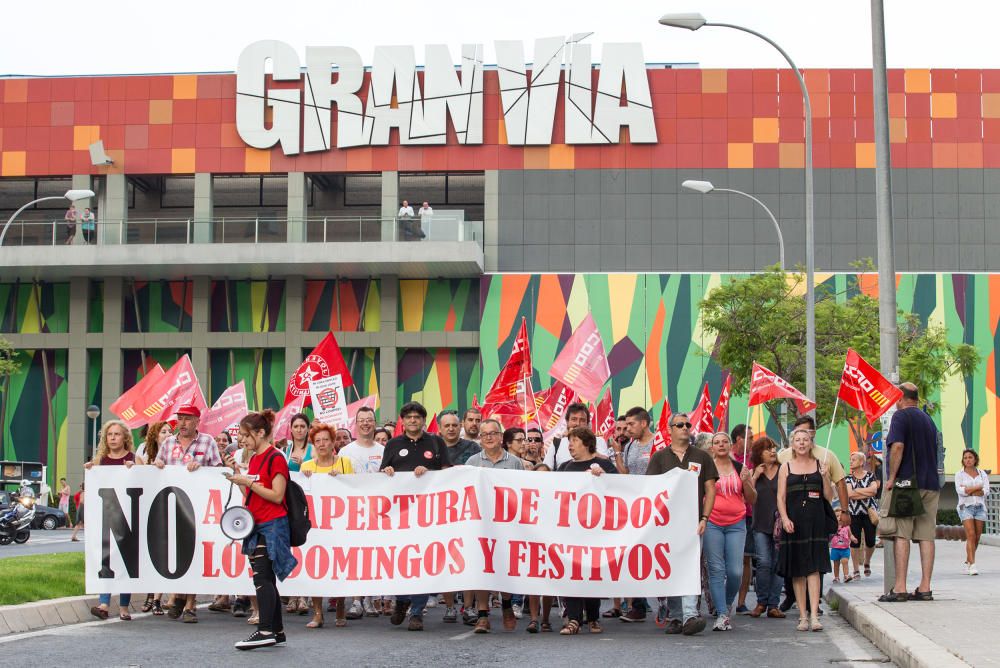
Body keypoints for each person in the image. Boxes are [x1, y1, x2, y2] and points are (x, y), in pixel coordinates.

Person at [225, 410, 297, 650]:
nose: (242, 440)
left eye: (246, 435)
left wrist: (248, 482)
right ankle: (276, 631)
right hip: (257, 523)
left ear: (261, 433)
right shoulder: (255, 458)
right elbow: (251, 496)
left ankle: (265, 629)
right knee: (266, 578)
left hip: (273, 524)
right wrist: (239, 478)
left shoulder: (275, 457)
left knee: (262, 578)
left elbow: (277, 496)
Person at [381, 401, 452, 631]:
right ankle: (401, 601)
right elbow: (382, 474)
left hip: (427, 514)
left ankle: (417, 611)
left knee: (422, 561)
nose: (413, 420)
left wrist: (429, 474)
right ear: (403, 420)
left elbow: (446, 473)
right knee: (402, 559)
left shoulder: (436, 442)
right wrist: (387, 471)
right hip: (400, 514)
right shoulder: (393, 444)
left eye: (417, 416)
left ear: (423, 420)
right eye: (409, 416)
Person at [645, 412, 716, 636]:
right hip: (666, 524)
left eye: (687, 424)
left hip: (693, 523)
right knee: (671, 569)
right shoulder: (659, 457)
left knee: (690, 567)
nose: (685, 428)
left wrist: (704, 518)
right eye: (680, 425)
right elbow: (649, 489)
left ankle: (689, 615)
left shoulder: (702, 457)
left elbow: (710, 489)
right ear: (670, 430)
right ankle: (675, 617)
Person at [153, 403, 223, 623]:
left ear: (196, 421)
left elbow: (219, 472)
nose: (181, 423)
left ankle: (190, 604)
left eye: (186, 419)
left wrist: (202, 469)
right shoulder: (168, 443)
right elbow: (159, 467)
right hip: (173, 506)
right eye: (179, 418)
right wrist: (156, 464)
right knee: (176, 553)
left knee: (193, 553)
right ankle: (179, 595)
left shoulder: (207, 442)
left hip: (198, 507)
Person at [880, 383, 941, 602]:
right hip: (931, 483)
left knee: (902, 534)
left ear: (901, 398)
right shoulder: (928, 420)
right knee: (926, 535)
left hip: (907, 483)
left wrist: (891, 478)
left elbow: (897, 447)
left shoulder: (900, 417)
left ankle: (900, 588)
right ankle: (925, 587)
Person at [556, 426, 617, 635]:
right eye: (569, 442)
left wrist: (604, 477)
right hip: (571, 530)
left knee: (592, 574)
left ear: (586, 443)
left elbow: (622, 491)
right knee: (573, 573)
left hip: (596, 531)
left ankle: (592, 618)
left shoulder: (604, 465)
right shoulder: (564, 467)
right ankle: (573, 619)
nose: (570, 446)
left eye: (574, 441)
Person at [465, 419, 523, 633]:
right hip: (480, 523)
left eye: (493, 433)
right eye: (484, 434)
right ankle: (482, 615)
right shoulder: (472, 461)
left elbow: (522, 492)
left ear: (501, 437)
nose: (489, 437)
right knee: (482, 567)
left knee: (504, 566)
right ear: (480, 439)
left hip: (506, 523)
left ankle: (507, 605)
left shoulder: (515, 462)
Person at [777, 428, 834, 632]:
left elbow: (829, 496)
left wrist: (826, 477)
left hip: (816, 521)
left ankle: (814, 614)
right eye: (798, 440)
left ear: (811, 443)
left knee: (814, 568)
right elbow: (781, 497)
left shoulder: (820, 465)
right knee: (798, 570)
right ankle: (802, 616)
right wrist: (784, 518)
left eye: (805, 440)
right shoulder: (786, 467)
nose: (801, 443)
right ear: (792, 444)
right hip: (794, 523)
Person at [300, 423, 354, 628]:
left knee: (339, 566)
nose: (322, 444)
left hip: (340, 524)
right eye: (318, 441)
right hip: (316, 525)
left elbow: (355, 490)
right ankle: (317, 613)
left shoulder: (345, 463)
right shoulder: (307, 467)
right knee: (316, 567)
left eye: (326, 440)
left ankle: (340, 606)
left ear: (333, 443)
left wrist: (341, 480)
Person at [338, 406, 387, 617]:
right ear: (356, 424)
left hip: (378, 512)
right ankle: (356, 600)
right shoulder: (346, 451)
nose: (366, 423)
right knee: (357, 555)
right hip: (353, 512)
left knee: (373, 556)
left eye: (369, 420)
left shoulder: (384, 451)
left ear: (374, 423)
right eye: (362, 420)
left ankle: (368, 599)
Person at [704, 431, 756, 631]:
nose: (721, 445)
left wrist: (746, 481)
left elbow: (752, 499)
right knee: (716, 570)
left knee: (735, 572)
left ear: (730, 445)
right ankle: (722, 614)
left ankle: (724, 604)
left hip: (737, 524)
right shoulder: (706, 469)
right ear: (712, 448)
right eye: (717, 442)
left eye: (724, 441)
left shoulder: (740, 468)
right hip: (712, 523)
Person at [86, 420, 136, 621]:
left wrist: (135, 470)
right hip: (107, 518)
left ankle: (124, 606)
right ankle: (104, 603)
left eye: (117, 434)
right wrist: (90, 471)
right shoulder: (100, 462)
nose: (113, 438)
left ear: (125, 437)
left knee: (127, 563)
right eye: (109, 435)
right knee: (106, 559)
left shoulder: (134, 459)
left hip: (128, 519)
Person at [612, 407, 656, 622]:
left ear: (644, 423)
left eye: (631, 424)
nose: (627, 428)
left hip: (657, 507)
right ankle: (637, 606)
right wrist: (618, 453)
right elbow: (625, 474)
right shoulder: (629, 446)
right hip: (635, 509)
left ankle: (667, 604)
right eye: (626, 424)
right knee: (636, 555)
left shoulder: (657, 443)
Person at [748, 436, 784, 618]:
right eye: (767, 449)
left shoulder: (783, 470)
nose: (772, 451)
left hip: (780, 525)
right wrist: (754, 476)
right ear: (758, 453)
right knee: (763, 562)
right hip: (760, 523)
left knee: (778, 564)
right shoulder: (754, 472)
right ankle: (761, 602)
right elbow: (748, 497)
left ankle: (773, 604)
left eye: (773, 448)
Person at [538, 403, 610, 471]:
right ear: (567, 421)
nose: (577, 424)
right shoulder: (557, 443)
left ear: (587, 424)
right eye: (574, 419)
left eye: (582, 420)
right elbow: (546, 470)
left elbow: (607, 464)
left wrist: (590, 449)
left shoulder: (599, 441)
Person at [730, 424, 755, 615]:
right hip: (725, 516)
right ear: (739, 439)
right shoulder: (726, 460)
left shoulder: (752, 460)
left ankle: (741, 601)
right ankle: (723, 600)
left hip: (747, 515)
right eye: (749, 437)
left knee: (745, 559)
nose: (752, 441)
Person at [956, 449, 989, 575]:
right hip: (965, 507)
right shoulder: (959, 474)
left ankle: (968, 561)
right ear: (963, 460)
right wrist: (977, 487)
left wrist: (970, 490)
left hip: (980, 507)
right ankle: (972, 565)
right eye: (965, 458)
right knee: (970, 534)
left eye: (970, 457)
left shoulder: (982, 474)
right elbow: (961, 492)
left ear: (975, 459)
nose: (968, 459)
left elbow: (986, 491)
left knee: (977, 537)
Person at [846, 452, 879, 579]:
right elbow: (849, 494)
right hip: (854, 513)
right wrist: (866, 493)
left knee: (870, 540)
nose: (851, 462)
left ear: (861, 462)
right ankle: (855, 569)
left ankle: (867, 562)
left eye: (853, 459)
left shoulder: (870, 476)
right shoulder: (848, 478)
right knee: (855, 541)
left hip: (869, 513)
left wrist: (857, 491)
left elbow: (874, 491)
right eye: (850, 459)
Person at [830, 509, 855, 583]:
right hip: (835, 549)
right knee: (836, 564)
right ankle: (836, 577)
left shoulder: (847, 527)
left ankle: (846, 576)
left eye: (840, 516)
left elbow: (850, 535)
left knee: (845, 561)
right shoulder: (833, 526)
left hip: (845, 549)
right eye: (837, 516)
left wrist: (853, 539)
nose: (839, 518)